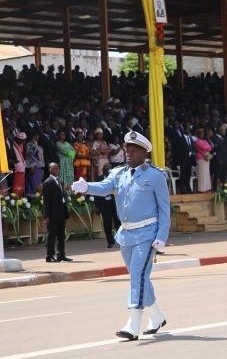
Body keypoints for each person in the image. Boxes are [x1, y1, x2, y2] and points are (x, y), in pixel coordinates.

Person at [72, 131, 170, 341]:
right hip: (126, 233)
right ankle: (157, 316)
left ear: (144, 153)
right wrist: (86, 187)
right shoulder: (119, 173)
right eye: (127, 150)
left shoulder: (155, 175)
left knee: (137, 275)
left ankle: (133, 324)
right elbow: (105, 186)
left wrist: (162, 235)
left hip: (147, 233)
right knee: (140, 276)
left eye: (133, 151)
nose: (128, 153)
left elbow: (164, 209)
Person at [43, 163, 72, 263]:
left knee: (61, 235)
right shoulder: (48, 182)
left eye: (56, 168)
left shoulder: (59, 181)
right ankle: (49, 255)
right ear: (49, 170)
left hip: (61, 211)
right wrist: (47, 216)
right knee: (51, 235)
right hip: (53, 213)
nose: (55, 170)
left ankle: (61, 254)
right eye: (53, 168)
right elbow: (46, 201)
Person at [94, 163, 121, 248]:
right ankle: (110, 241)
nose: (108, 172)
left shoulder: (115, 179)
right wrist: (97, 206)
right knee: (107, 223)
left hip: (114, 204)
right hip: (104, 205)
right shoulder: (98, 179)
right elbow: (96, 194)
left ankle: (121, 240)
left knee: (118, 222)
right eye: (106, 170)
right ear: (103, 171)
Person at [25, 131, 44, 198]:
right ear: (33, 136)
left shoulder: (36, 144)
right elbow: (29, 156)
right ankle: (32, 198)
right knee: (33, 183)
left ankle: (37, 198)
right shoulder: (30, 145)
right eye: (37, 136)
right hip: (33, 167)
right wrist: (31, 166)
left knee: (38, 183)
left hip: (39, 167)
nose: (38, 137)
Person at [194, 128, 212, 193]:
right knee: (202, 174)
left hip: (207, 158)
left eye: (203, 134)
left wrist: (206, 147)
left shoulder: (204, 140)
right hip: (201, 158)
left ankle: (207, 188)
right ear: (198, 134)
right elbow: (204, 147)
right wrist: (206, 147)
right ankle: (202, 189)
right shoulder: (197, 141)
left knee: (207, 173)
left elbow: (210, 147)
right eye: (200, 134)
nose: (202, 135)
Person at [11, 132, 27, 197]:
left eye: (24, 140)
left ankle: (20, 200)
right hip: (17, 168)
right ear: (17, 139)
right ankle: (15, 200)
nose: (22, 141)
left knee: (21, 185)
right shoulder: (13, 145)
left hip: (22, 168)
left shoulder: (22, 146)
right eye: (21, 140)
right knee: (16, 185)